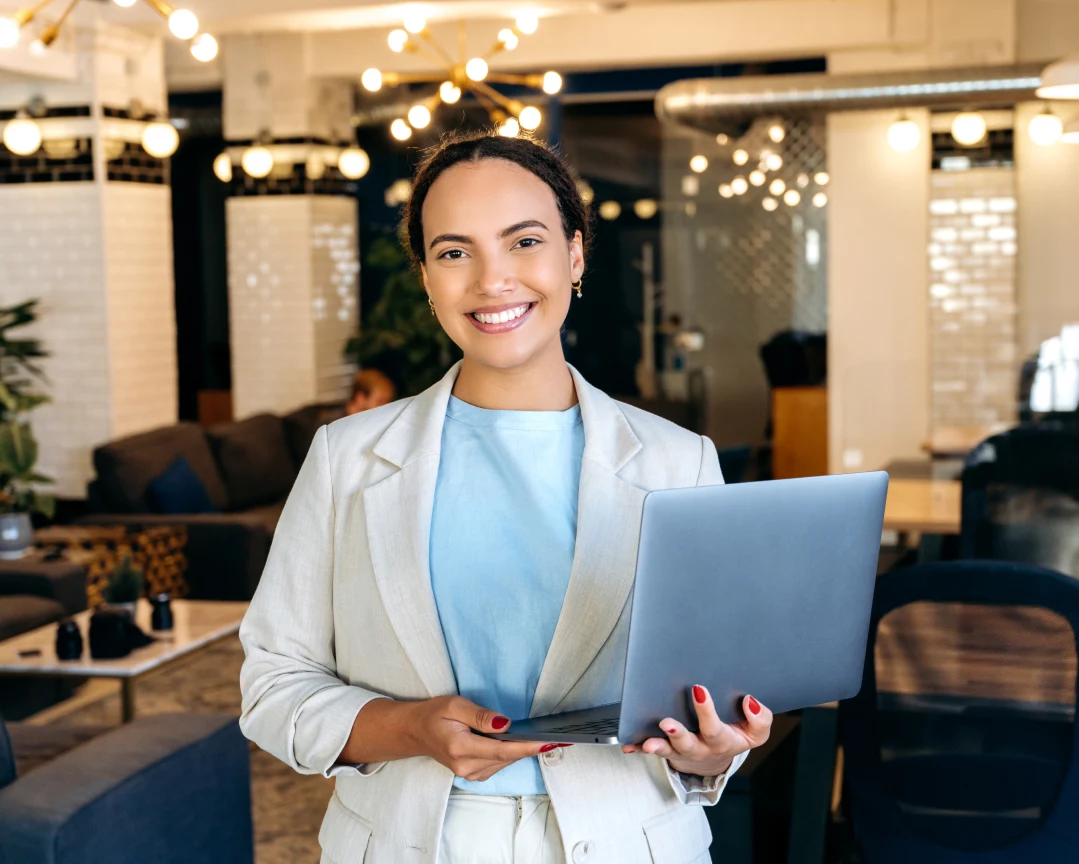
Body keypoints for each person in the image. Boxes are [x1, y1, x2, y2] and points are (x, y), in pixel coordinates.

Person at [238, 131, 774, 864]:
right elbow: (272, 685)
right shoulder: (346, 459)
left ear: (575, 253)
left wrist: (712, 752)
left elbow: (707, 708)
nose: (492, 280)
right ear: (426, 275)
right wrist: (409, 728)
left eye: (523, 241)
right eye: (454, 252)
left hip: (627, 843)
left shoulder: (680, 462)